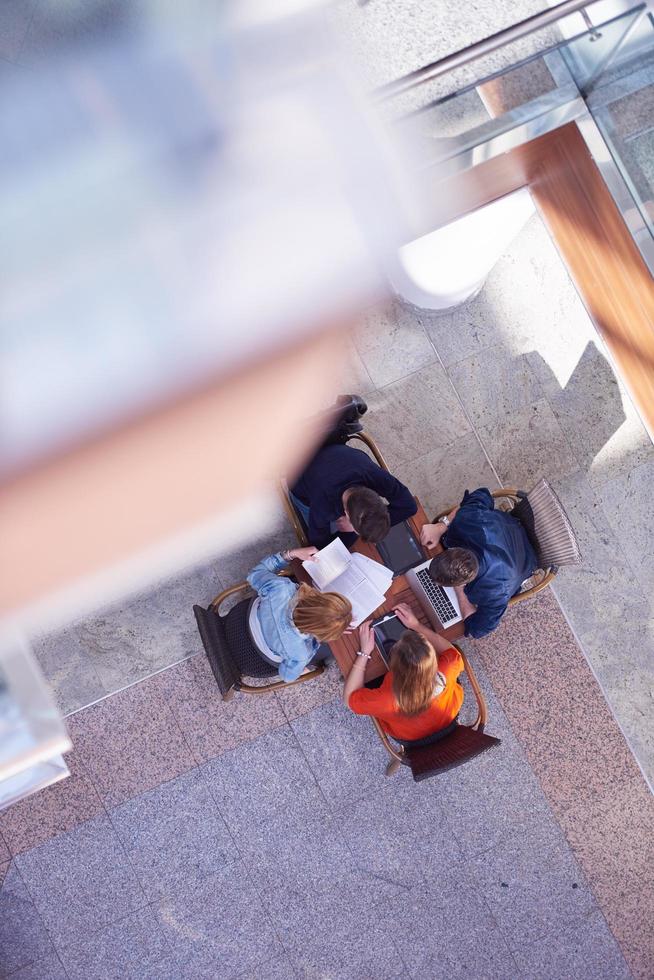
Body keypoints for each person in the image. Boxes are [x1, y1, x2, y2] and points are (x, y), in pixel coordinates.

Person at [420, 487, 538, 639]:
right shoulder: (467, 519)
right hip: (509, 530)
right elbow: (483, 493)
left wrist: (460, 592)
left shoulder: (497, 592)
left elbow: (477, 629)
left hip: (526, 560)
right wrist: (441, 525)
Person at [343, 603, 464, 742]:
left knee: (370, 679)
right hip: (449, 717)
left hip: (408, 736)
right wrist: (417, 626)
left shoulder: (384, 700)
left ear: (393, 669)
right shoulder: (449, 666)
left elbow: (349, 699)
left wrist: (364, 653)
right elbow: (451, 652)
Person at [247, 546, 352, 682]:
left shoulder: (280, 587)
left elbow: (254, 574)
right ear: (319, 633)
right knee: (330, 653)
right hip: (266, 650)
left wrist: (292, 554)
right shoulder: (300, 653)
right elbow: (286, 676)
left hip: (253, 616)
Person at [290, 443, 417, 549]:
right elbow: (320, 544)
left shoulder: (376, 476)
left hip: (332, 450)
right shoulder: (325, 505)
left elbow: (410, 506)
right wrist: (354, 531)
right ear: (346, 513)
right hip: (300, 478)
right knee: (324, 531)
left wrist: (361, 527)